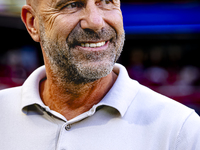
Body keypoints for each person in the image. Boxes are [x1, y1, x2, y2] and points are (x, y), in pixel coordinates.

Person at [0, 0, 200, 149]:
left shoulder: (180, 130)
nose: (95, 22)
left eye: (106, 2)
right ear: (32, 23)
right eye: (72, 4)